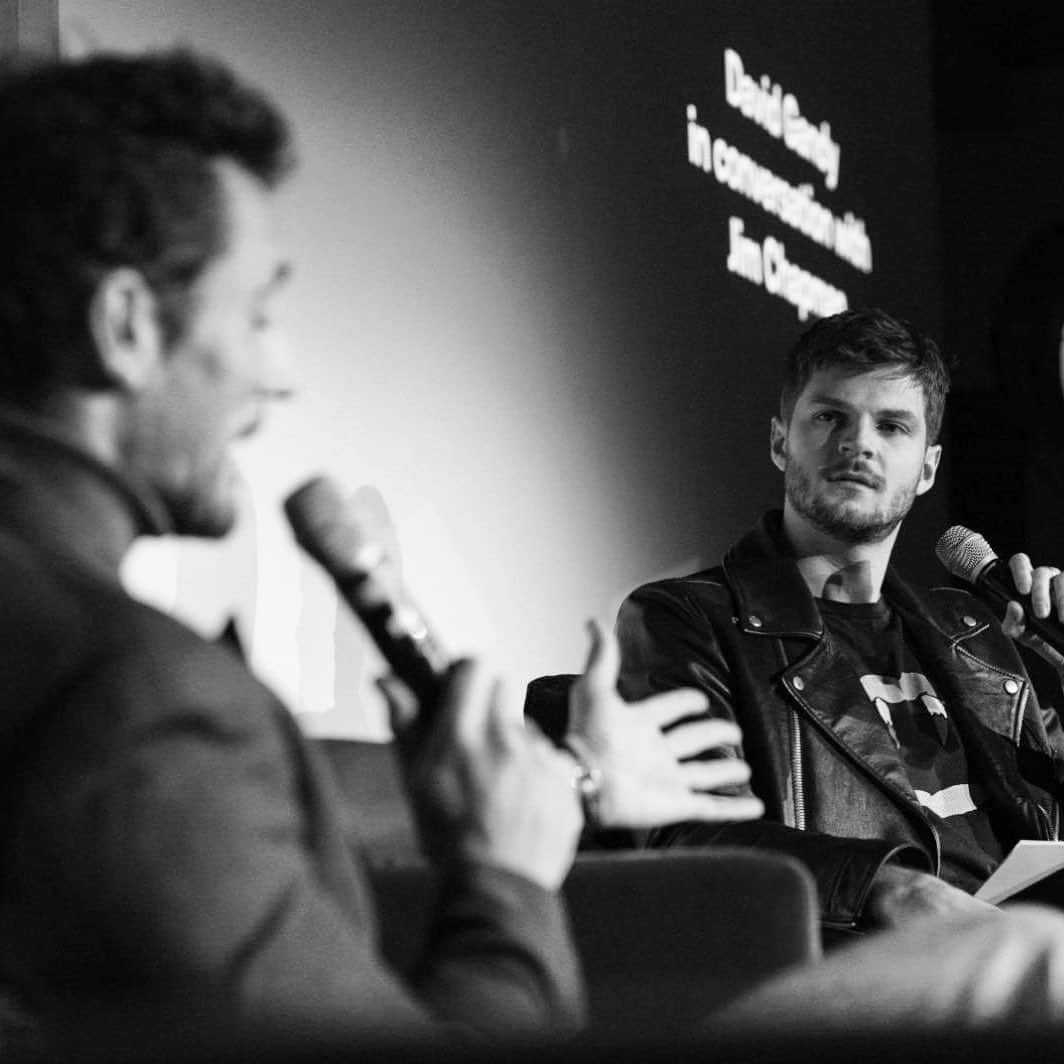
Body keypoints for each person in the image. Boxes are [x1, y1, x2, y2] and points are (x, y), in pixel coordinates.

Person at [0, 48, 764, 1057]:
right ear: (128, 327)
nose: (281, 370)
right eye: (260, 313)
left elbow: (228, 802)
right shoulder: (130, 694)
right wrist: (506, 885)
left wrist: (566, 779)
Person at [616, 306, 1064, 938]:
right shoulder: (688, 620)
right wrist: (891, 888)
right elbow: (686, 834)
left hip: (1019, 959)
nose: (859, 442)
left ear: (929, 468)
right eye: (830, 417)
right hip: (854, 974)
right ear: (779, 441)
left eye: (892, 425)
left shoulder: (977, 633)